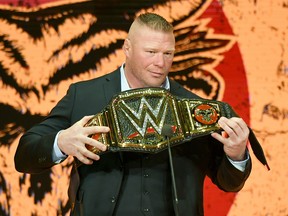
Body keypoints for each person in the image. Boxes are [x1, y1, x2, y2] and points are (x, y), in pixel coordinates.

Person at [15, 13, 252, 216]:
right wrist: (61, 142)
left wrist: (236, 155)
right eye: (151, 51)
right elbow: (24, 154)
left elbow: (229, 183)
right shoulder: (84, 96)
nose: (160, 62)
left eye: (168, 53)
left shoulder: (194, 108)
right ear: (126, 48)